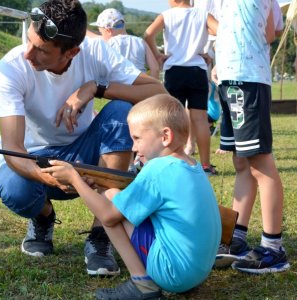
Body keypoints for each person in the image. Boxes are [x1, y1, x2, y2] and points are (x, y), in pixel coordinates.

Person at [0, 0, 166, 277]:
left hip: (83, 152)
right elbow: (12, 149)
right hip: (34, 158)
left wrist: (95, 87)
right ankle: (43, 217)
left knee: (121, 110)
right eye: (29, 41)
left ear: (72, 52)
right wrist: (44, 176)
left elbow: (158, 92)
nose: (28, 54)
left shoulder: (96, 51)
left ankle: (101, 234)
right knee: (15, 191)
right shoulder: (11, 68)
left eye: (41, 50)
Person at [41, 94, 221, 299]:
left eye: (137, 138)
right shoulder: (192, 166)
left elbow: (108, 216)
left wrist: (74, 179)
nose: (133, 148)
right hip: (197, 273)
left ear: (165, 137)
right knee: (113, 196)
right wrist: (97, 186)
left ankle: (142, 284)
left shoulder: (157, 170)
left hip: (174, 274)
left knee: (110, 201)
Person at [213, 0, 290, 274]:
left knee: (260, 163)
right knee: (242, 162)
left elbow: (272, 31)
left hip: (248, 78)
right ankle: (237, 238)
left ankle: (273, 248)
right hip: (228, 78)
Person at [144, 0, 218, 176]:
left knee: (171, 118)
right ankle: (206, 165)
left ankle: (173, 160)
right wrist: (210, 53)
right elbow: (221, 31)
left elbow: (148, 35)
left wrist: (157, 55)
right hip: (197, 70)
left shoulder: (166, 15)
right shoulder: (202, 14)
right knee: (200, 119)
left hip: (174, 70)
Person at [87, 8, 160, 80]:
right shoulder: (141, 42)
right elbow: (155, 69)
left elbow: (94, 38)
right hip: (141, 87)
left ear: (108, 31)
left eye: (101, 32)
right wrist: (150, 88)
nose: (101, 35)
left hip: (118, 89)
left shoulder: (108, 44)